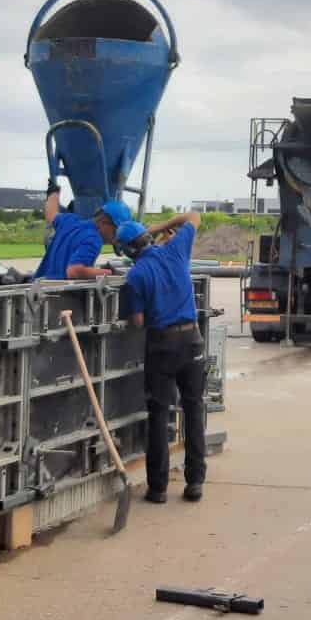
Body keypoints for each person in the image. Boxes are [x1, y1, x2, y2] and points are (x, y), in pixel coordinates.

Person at [118, 210, 206, 505]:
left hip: (162, 345)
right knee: (194, 410)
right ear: (148, 237)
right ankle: (195, 482)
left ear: (128, 251)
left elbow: (139, 321)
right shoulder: (176, 248)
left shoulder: (135, 276)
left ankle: (158, 489)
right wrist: (160, 226)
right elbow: (193, 216)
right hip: (192, 340)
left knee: (159, 415)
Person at [34, 183, 125, 280]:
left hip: (37, 285)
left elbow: (51, 214)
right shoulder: (94, 239)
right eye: (116, 230)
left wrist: (53, 193)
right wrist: (109, 272)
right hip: (57, 292)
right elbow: (74, 271)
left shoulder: (70, 221)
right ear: (104, 222)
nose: (117, 236)